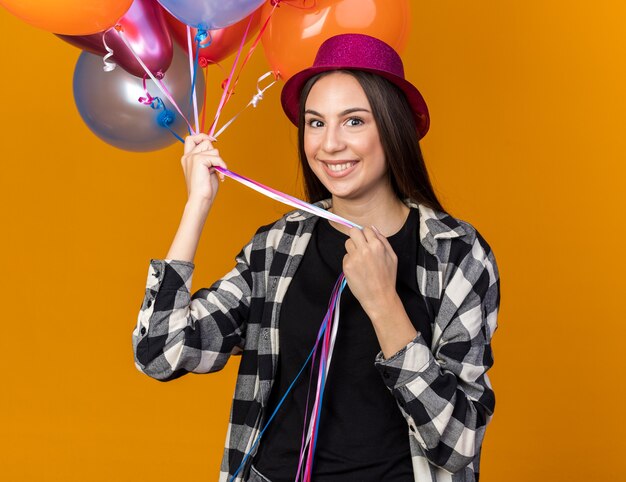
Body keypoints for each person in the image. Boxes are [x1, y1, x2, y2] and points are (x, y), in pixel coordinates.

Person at [132, 33, 500, 482]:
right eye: (315, 122)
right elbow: (160, 353)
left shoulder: (455, 253)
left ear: (393, 125)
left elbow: (459, 442)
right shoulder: (277, 247)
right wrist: (197, 206)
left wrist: (384, 303)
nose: (329, 145)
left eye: (354, 121)